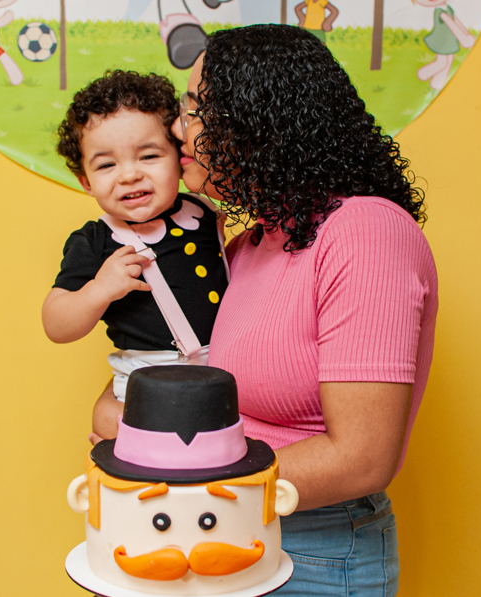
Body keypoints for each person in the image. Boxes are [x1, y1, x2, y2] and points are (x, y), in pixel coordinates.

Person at [91, 25, 437, 594]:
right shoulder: (245, 248)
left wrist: (165, 461)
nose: (176, 128)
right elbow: (141, 385)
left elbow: (361, 459)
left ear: (255, 120)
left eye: (195, 109)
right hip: (209, 534)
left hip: (314, 552)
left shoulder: (366, 232)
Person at [44, 70, 228, 404]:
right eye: (106, 165)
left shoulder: (204, 211)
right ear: (85, 181)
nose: (129, 175)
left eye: (149, 156)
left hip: (227, 367)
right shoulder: (95, 241)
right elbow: (56, 325)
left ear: (179, 158)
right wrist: (99, 290)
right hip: (146, 382)